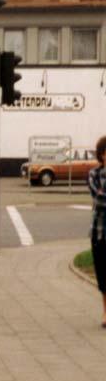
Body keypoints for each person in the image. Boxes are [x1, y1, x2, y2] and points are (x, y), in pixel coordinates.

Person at [88, 135, 106, 326]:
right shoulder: (93, 174)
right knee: (102, 275)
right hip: (99, 232)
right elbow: (98, 199)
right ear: (102, 155)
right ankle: (105, 313)